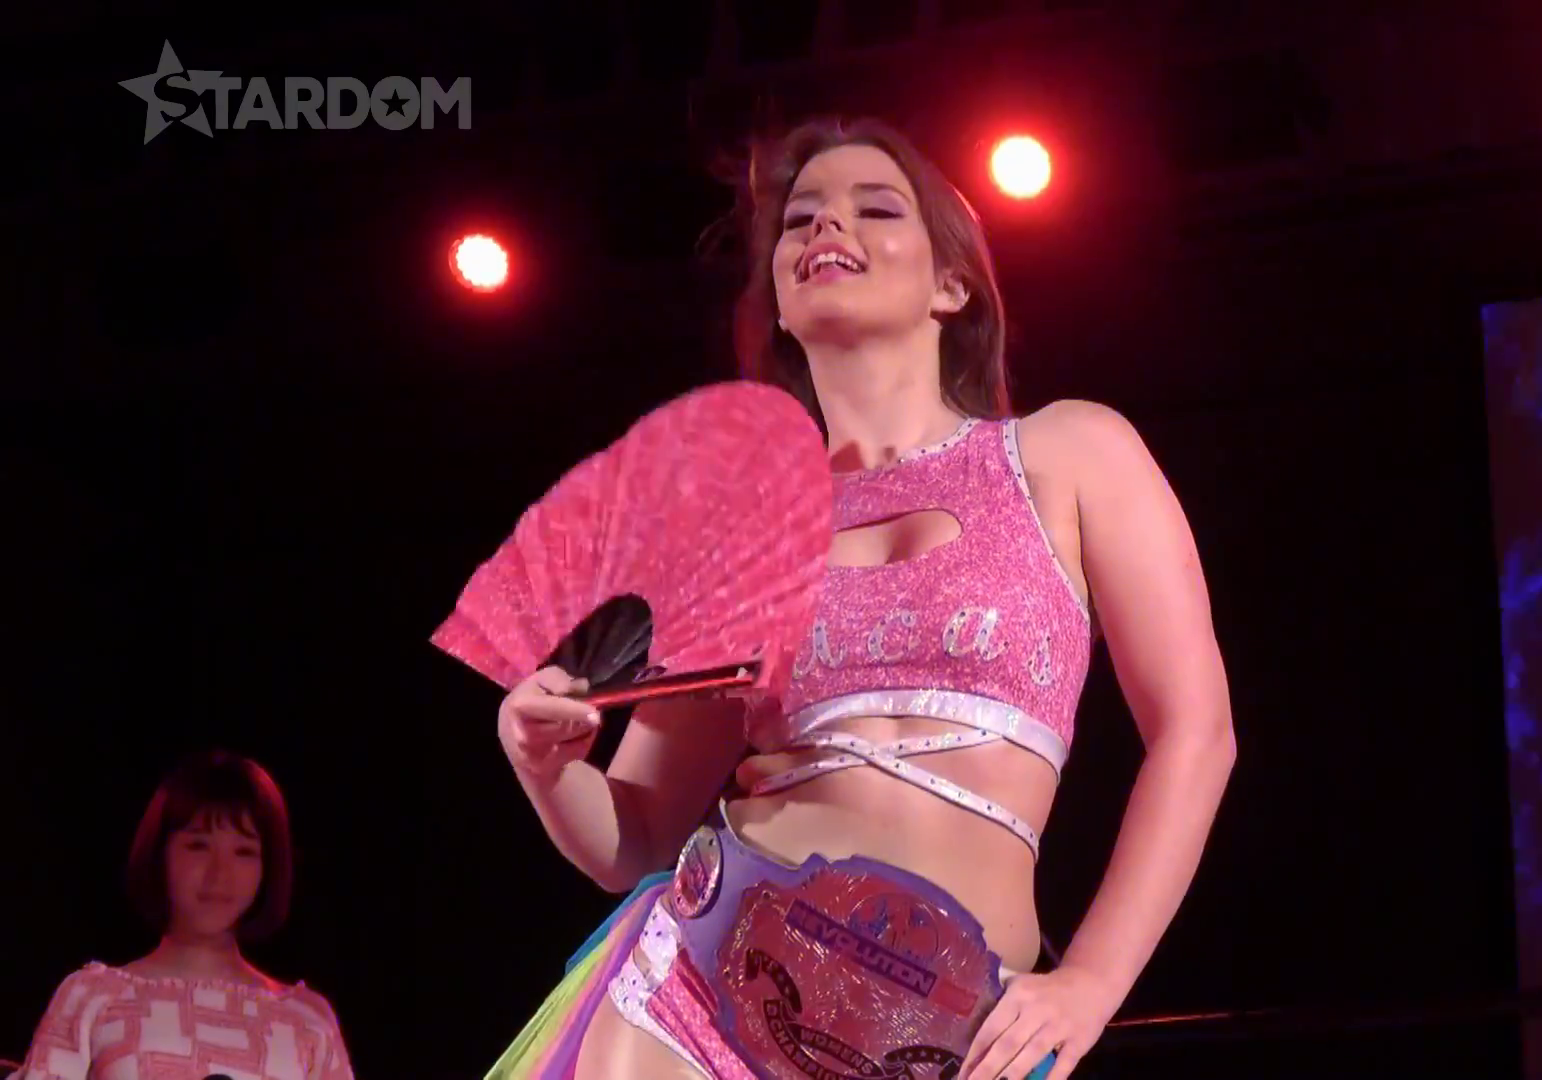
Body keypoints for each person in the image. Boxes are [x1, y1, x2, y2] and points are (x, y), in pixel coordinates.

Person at [491, 116, 1236, 1080]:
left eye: (875, 209)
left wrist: (1093, 978)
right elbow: (635, 835)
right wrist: (545, 767)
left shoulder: (1071, 451)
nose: (824, 227)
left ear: (951, 285)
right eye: (799, 219)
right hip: (697, 991)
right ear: (779, 304)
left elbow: (1195, 733)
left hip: (955, 1034)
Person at [17, 750, 355, 1080]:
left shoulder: (306, 1020)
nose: (220, 874)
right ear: (161, 853)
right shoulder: (94, 998)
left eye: (244, 851)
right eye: (198, 846)